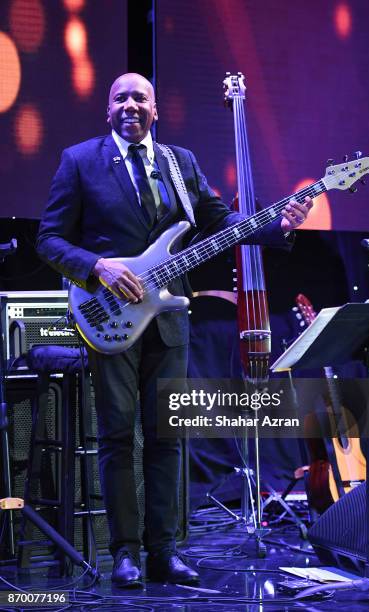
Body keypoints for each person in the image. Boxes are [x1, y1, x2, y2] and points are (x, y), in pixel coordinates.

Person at [37, 72, 313, 588]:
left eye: (141, 97)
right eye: (121, 97)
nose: (131, 105)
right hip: (110, 318)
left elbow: (220, 222)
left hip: (167, 319)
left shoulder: (179, 163)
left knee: (168, 436)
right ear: (108, 109)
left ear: (155, 109)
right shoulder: (79, 161)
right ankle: (124, 553)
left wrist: (279, 226)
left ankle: (165, 550)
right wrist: (98, 267)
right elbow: (49, 240)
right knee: (119, 437)